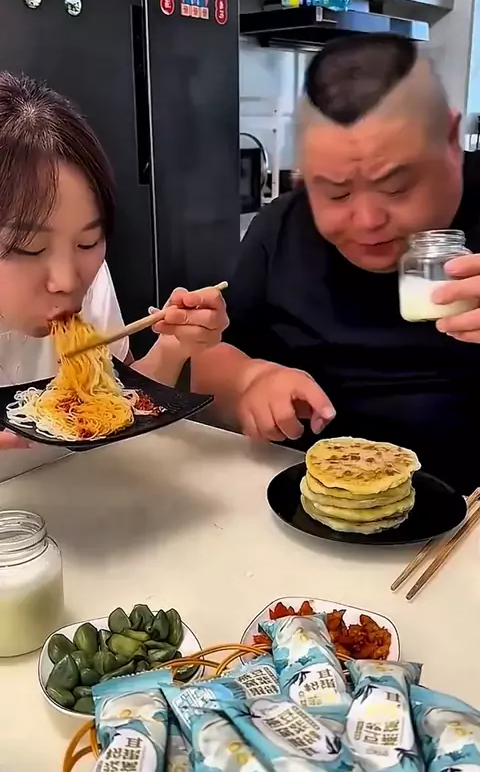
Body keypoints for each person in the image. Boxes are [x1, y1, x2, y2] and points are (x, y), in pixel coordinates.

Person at [192, 33, 480, 493]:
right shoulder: (281, 230)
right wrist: (250, 380)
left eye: (396, 187)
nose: (368, 221)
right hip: (313, 500)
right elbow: (203, 360)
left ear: (451, 139)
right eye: (336, 193)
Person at [0, 72, 228, 450]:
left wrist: (172, 347)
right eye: (30, 247)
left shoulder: (89, 279)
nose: (67, 280)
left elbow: (117, 404)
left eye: (88, 241)